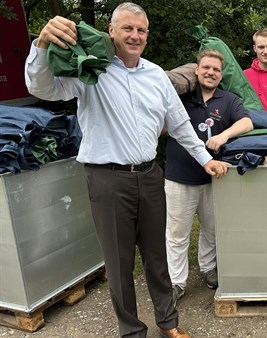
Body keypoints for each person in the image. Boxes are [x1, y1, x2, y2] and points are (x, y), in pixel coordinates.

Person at [25, 3, 229, 337]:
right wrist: (42, 45)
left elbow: (179, 123)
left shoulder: (155, 75)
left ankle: (168, 323)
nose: (135, 36)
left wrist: (204, 159)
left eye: (141, 30)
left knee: (157, 257)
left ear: (147, 35)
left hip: (150, 176)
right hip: (107, 179)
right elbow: (41, 88)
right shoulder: (91, 70)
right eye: (127, 28)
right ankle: (132, 331)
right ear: (112, 31)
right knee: (119, 265)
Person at [164, 49, 253, 305]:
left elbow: (246, 123)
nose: (211, 72)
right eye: (206, 68)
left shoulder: (229, 100)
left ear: (221, 74)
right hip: (179, 176)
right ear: (197, 70)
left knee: (211, 230)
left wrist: (224, 136)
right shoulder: (180, 97)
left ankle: (208, 269)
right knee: (177, 233)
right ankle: (176, 282)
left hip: (216, 179)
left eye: (216, 69)